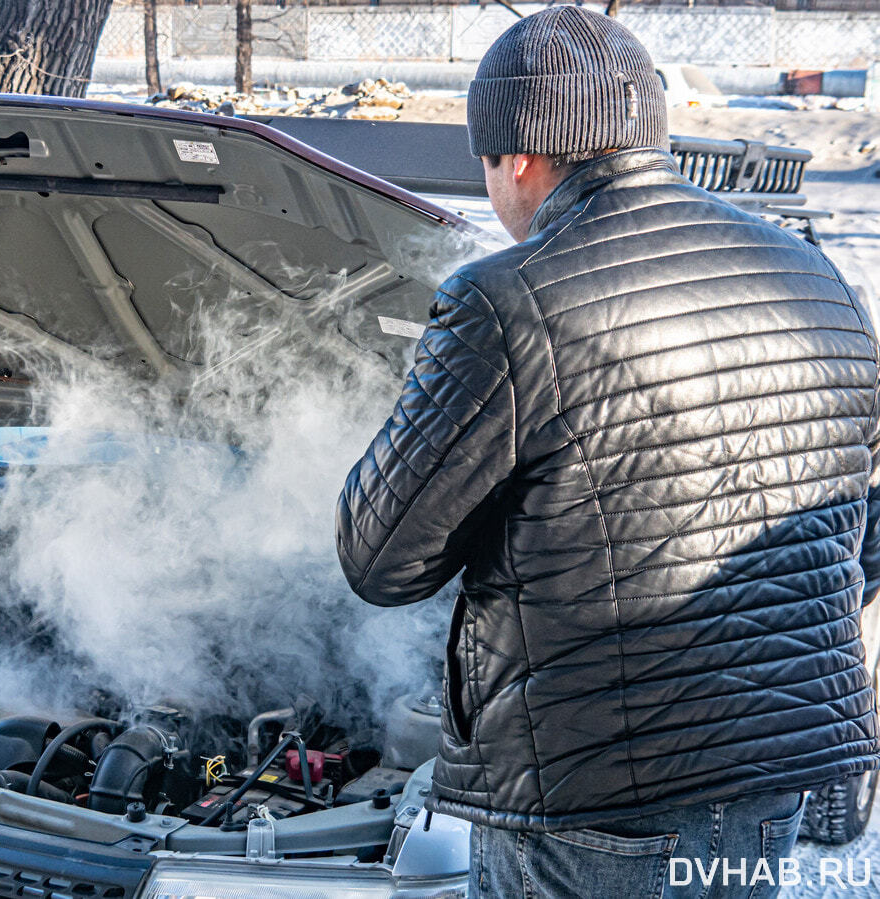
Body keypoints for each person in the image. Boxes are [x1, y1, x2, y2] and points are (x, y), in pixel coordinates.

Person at [335, 7, 880, 898]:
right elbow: (862, 520)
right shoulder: (817, 274)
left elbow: (381, 559)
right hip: (768, 782)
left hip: (599, 811)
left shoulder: (506, 299)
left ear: (517, 155)